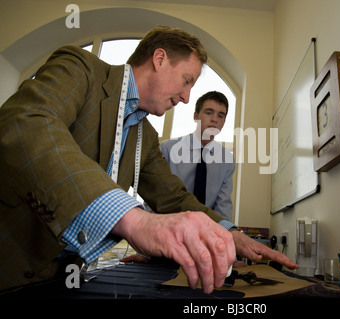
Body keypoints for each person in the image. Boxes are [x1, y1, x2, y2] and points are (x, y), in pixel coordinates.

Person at [0, 25, 297, 294]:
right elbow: (26, 125)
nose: (185, 97)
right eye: (186, 80)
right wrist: (135, 221)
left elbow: (174, 198)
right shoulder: (81, 69)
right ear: (159, 59)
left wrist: (230, 232)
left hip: (64, 275)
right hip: (9, 262)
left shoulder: (146, 136)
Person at [160, 90, 234, 221]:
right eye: (209, 112)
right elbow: (155, 196)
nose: (214, 119)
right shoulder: (168, 149)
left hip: (205, 231)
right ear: (196, 116)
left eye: (221, 115)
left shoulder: (226, 159)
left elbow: (223, 207)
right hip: (169, 226)